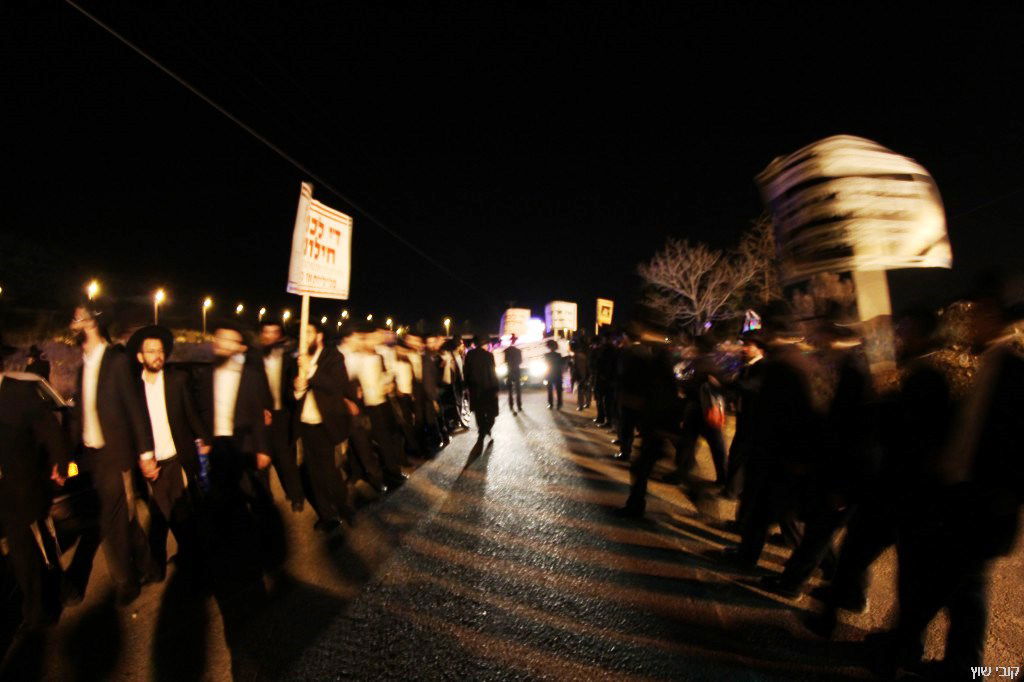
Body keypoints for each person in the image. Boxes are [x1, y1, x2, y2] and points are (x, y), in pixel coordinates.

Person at [68, 304, 157, 605]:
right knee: (125, 518)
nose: (72, 323)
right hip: (94, 456)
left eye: (78, 318)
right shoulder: (83, 366)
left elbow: (135, 409)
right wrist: (68, 456)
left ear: (92, 323)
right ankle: (149, 567)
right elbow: (79, 414)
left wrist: (146, 453)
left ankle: (126, 582)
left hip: (116, 454)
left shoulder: (116, 361)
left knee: (110, 521)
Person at [0, 337, 71, 629]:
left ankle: (38, 610)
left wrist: (60, 463)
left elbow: (51, 431)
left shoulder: (19, 393)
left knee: (27, 550)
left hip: (20, 487)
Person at [129, 325, 209, 581]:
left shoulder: (177, 380)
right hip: (152, 463)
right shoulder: (133, 388)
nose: (157, 355)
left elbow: (190, 412)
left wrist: (203, 438)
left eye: (161, 351)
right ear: (140, 357)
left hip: (177, 457)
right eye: (151, 351)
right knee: (165, 512)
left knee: (181, 512)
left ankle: (195, 566)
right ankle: (188, 556)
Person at [294, 322, 357, 532]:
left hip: (325, 423)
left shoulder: (333, 357)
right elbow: (294, 393)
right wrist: (298, 389)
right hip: (305, 423)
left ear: (319, 336)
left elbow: (335, 386)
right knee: (313, 473)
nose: (303, 337)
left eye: (308, 332)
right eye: (301, 333)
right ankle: (327, 515)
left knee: (329, 471)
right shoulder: (298, 358)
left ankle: (343, 505)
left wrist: (311, 370)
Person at [257, 320, 305, 512]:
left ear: (281, 335)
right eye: (266, 332)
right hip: (260, 415)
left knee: (285, 458)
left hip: (282, 414)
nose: (270, 336)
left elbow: (295, 385)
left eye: (274, 332)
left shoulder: (289, 357)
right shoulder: (253, 358)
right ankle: (265, 499)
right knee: (262, 459)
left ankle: (296, 495)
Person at [463, 334, 499, 446]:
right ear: (485, 344)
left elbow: (466, 372)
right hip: (488, 389)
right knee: (491, 413)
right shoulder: (489, 355)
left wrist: (466, 386)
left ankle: (482, 432)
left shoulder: (469, 355)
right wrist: (496, 388)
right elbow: (492, 373)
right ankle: (485, 431)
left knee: (479, 413)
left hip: (475, 389)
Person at [504, 334, 523, 414]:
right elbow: (520, 361)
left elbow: (505, 361)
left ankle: (511, 405)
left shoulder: (506, 350)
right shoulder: (518, 351)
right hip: (516, 371)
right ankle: (519, 405)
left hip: (509, 371)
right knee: (518, 390)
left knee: (510, 390)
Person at [543, 339, 564, 409]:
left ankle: (551, 404)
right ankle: (558, 404)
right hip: (557, 374)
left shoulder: (547, 355)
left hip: (550, 374)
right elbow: (561, 365)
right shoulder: (558, 355)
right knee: (558, 390)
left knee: (551, 390)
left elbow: (546, 365)